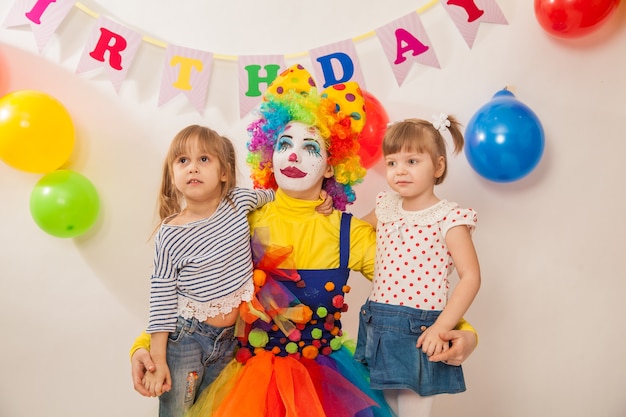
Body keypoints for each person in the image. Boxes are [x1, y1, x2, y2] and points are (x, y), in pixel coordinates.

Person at [130, 65, 478, 417]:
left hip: (328, 383)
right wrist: (143, 346)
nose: (293, 155)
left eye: (310, 147)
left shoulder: (348, 231)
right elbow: (186, 288)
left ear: (331, 166)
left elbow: (408, 288)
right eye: (284, 144)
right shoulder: (240, 218)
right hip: (246, 381)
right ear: (270, 155)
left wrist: (460, 331)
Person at [141, 125, 277, 417]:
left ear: (224, 173)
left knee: (217, 411)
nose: (193, 168)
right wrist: (158, 359)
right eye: (183, 161)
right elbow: (161, 298)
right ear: (172, 175)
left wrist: (323, 199)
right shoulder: (171, 234)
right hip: (188, 339)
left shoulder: (238, 202)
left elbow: (279, 198)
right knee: (179, 411)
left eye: (204, 160)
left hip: (231, 340)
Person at [355, 116, 481, 417]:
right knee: (382, 410)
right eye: (392, 162)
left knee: (413, 411)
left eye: (412, 161)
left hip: (420, 327)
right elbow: (353, 232)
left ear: (437, 167)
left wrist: (442, 327)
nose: (400, 171)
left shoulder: (449, 218)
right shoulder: (386, 205)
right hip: (378, 319)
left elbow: (471, 277)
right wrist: (326, 209)